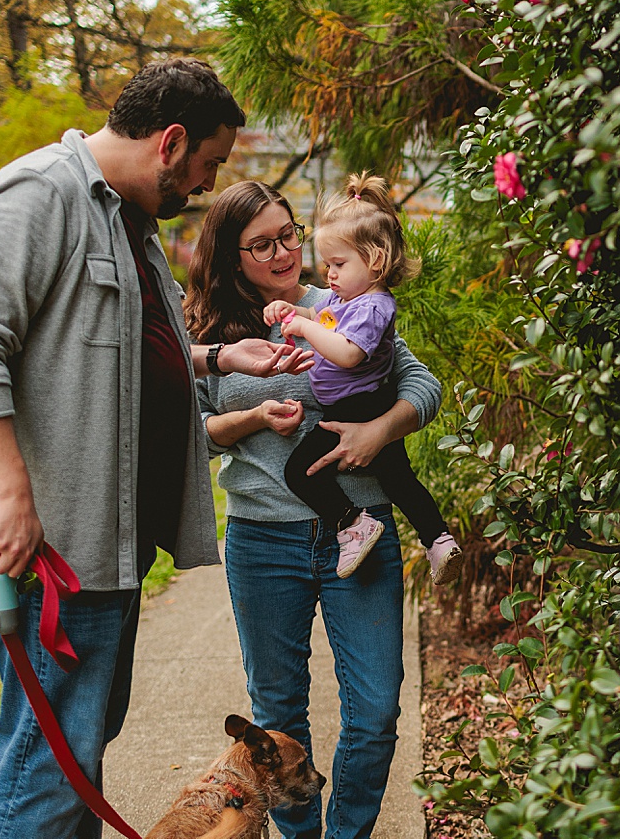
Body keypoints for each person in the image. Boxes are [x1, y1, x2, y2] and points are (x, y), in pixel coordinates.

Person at [0, 58, 312, 839]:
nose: (206, 185)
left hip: (110, 548)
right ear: (170, 142)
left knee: (75, 759)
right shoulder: (42, 195)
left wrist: (214, 359)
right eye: (208, 164)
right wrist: (8, 494)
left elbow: (126, 354)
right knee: (45, 764)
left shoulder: (130, 224)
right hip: (55, 550)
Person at [184, 179, 442, 839]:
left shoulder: (345, 300)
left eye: (288, 236)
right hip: (263, 541)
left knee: (377, 708)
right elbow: (192, 435)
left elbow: (422, 384)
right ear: (229, 255)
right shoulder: (211, 337)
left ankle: (347, 835)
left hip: (361, 529)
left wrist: (380, 431)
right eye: (260, 245)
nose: (281, 254)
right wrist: (248, 419)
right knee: (277, 713)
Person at [265, 172, 463, 585]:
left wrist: (305, 330)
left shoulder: (374, 307)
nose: (329, 275)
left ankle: (352, 522)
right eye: (326, 266)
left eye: (338, 264)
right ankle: (438, 539)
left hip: (362, 405)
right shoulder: (345, 300)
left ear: (374, 260)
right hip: (359, 403)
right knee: (398, 478)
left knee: (300, 471)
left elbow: (348, 352)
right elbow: (324, 319)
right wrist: (291, 313)